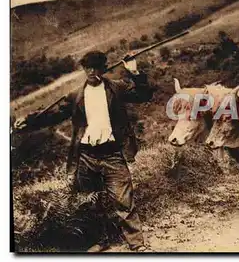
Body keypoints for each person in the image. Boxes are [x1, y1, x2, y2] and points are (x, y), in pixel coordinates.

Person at [14, 50, 154, 252]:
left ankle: (137, 244)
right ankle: (100, 241)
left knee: (123, 200)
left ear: (103, 69)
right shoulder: (76, 96)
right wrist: (27, 121)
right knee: (90, 201)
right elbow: (53, 115)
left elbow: (143, 95)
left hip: (112, 154)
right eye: (87, 67)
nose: (91, 71)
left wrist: (134, 72)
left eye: (95, 67)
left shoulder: (116, 88)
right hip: (87, 155)